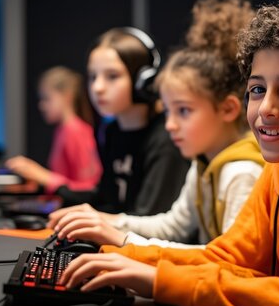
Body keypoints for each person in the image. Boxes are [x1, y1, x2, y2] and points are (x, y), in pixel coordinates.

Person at [58, 0, 279, 306]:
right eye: (257, 89)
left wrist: (161, 282)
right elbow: (227, 258)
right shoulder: (278, 172)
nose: (266, 108)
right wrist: (119, 257)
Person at [47, 0, 264, 249]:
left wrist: (121, 238)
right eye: (169, 112)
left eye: (183, 111)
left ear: (227, 109)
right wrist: (106, 221)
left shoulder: (241, 173)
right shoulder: (204, 163)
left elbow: (225, 261)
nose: (170, 124)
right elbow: (173, 227)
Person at [57, 27, 190, 215]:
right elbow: (107, 199)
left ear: (143, 80)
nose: (97, 87)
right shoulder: (112, 131)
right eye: (93, 76)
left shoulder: (166, 138)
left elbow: (149, 216)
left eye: (112, 76)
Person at [6, 66, 101, 194]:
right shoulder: (62, 130)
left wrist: (43, 176)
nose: (42, 105)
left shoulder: (76, 132)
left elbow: (88, 188)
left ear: (67, 96)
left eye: (47, 98)